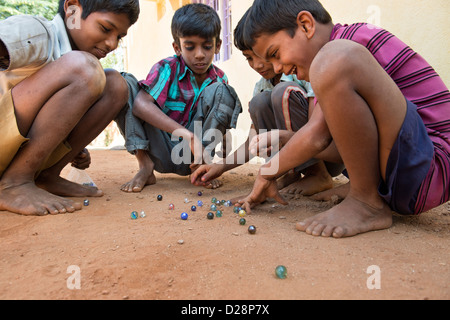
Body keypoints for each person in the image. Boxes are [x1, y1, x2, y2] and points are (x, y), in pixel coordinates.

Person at [236, 0, 449, 238]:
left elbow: (317, 136)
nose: (277, 68)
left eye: (275, 54)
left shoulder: (342, 49)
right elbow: (334, 140)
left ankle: (366, 201)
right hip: (409, 174)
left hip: (434, 164)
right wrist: (289, 139)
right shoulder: (332, 67)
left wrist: (267, 172)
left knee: (333, 59)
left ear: (306, 25)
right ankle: (365, 192)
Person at [0, 0, 140, 216]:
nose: (112, 43)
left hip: (10, 147)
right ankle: (13, 184)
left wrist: (69, 146)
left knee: (116, 85)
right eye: (105, 28)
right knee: (85, 68)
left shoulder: (74, 65)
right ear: (72, 9)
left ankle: (46, 176)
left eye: (119, 37)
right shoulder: (37, 32)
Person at [191, 9, 344, 197]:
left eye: (262, 54)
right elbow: (253, 141)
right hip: (299, 149)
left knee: (282, 91)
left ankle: (317, 174)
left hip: (329, 150)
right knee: (259, 102)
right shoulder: (262, 86)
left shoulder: (302, 71)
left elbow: (316, 129)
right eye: (249, 58)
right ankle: (289, 172)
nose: (257, 65)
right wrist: (220, 166)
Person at [116, 3, 242, 193]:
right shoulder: (167, 68)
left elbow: (219, 121)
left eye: (207, 46)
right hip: (160, 150)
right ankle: (145, 166)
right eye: (190, 47)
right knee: (123, 82)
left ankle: (204, 169)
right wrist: (188, 136)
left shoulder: (219, 80)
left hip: (195, 157)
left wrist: (212, 149)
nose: (199, 55)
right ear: (177, 47)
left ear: (217, 46)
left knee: (224, 91)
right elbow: (141, 105)